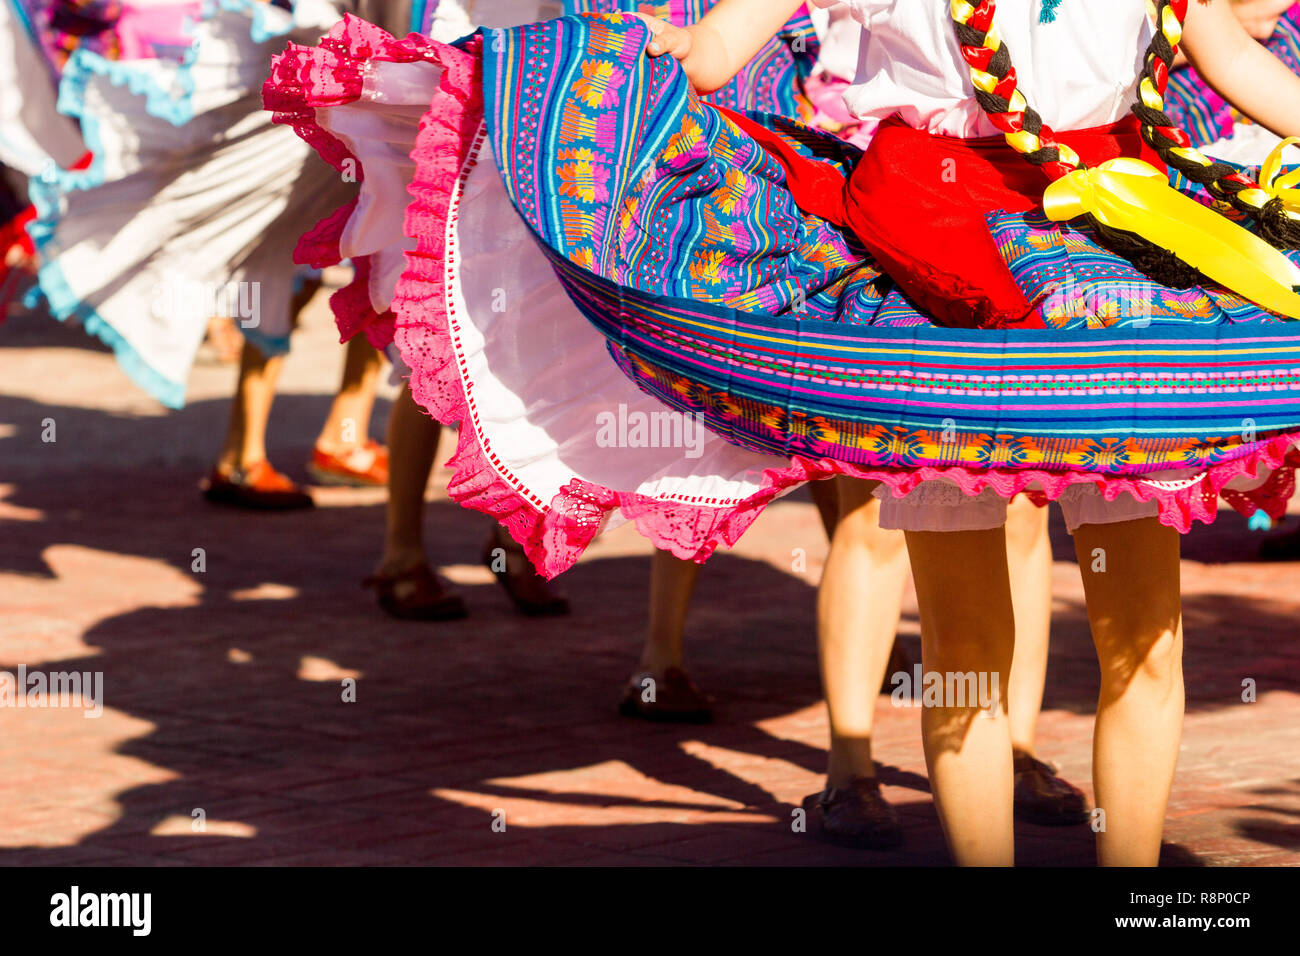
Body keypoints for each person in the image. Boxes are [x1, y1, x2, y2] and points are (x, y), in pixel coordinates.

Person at [270, 1, 1300, 865]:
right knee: (969, 655)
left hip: (1119, 247)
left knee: (1142, 643)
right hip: (933, 256)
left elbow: (1225, 50)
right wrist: (640, 56)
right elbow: (716, 50)